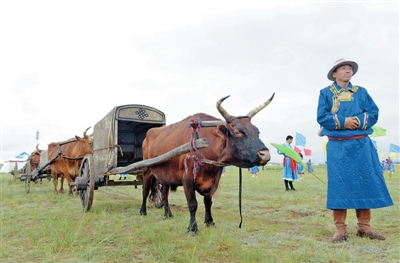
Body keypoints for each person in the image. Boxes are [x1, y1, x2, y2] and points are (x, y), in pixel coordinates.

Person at [317, 58, 393, 242]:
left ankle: (364, 228)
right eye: (343, 68)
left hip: (361, 145)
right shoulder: (326, 93)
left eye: (350, 68)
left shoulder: (362, 92)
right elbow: (322, 116)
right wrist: (344, 122)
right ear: (334, 73)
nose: (348, 71)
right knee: (339, 185)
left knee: (364, 183)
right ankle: (340, 230)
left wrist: (357, 121)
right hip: (338, 146)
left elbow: (373, 113)